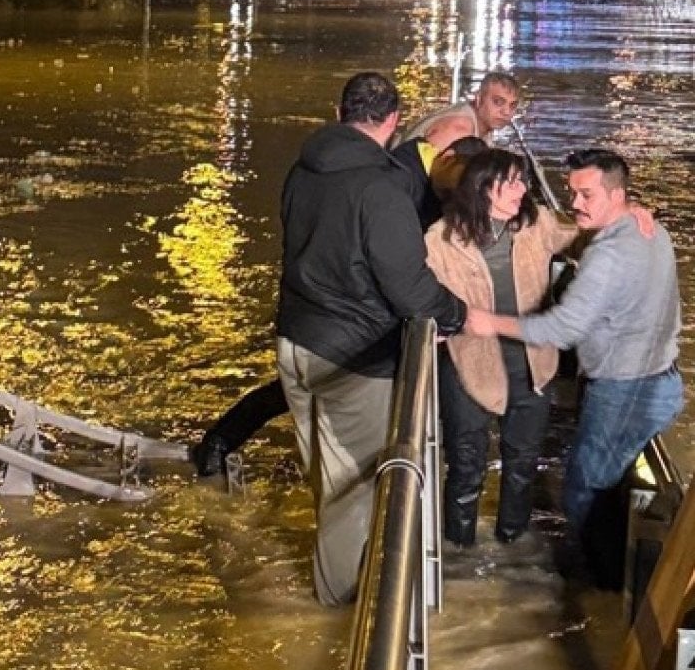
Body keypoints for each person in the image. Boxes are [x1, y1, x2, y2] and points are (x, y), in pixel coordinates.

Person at [189, 126, 482, 480]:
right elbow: (394, 266)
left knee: (306, 389)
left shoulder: (422, 180)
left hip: (356, 315)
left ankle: (223, 441)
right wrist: (451, 312)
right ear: (448, 157)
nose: (457, 194)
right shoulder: (398, 179)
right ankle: (221, 441)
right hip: (355, 316)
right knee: (306, 390)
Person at [277, 71, 467, 606]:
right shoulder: (382, 188)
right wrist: (455, 313)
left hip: (296, 343)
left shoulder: (302, 168)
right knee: (351, 493)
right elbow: (410, 287)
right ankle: (339, 611)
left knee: (324, 475)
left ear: (338, 113)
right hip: (355, 358)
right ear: (394, 122)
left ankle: (331, 582)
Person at [467, 148, 682, 562]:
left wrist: (489, 322)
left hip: (624, 390)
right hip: (664, 382)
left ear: (617, 195)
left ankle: (594, 579)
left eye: (587, 195)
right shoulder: (653, 232)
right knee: (610, 483)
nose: (575, 203)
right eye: (572, 193)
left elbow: (561, 329)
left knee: (584, 488)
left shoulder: (607, 255)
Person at [424, 149, 580, 547]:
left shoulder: (537, 223)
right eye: (510, 181)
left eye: (522, 180)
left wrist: (628, 215)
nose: (521, 189)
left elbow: (586, 234)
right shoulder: (440, 240)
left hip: (533, 367)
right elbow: (419, 294)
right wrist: (434, 323)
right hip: (468, 368)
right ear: (482, 186)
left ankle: (512, 538)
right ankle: (458, 547)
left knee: (523, 464)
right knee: (465, 466)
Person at [396, 72, 519, 146]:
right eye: (498, 102)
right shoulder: (458, 130)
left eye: (512, 105)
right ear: (478, 98)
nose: (506, 112)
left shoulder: (483, 124)